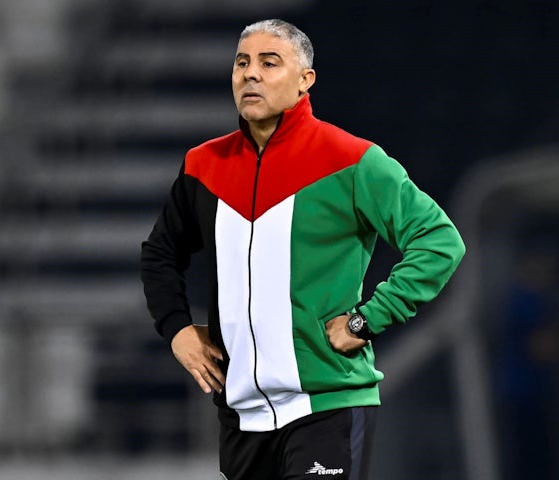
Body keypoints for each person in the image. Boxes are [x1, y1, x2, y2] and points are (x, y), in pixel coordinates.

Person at [140, 18, 465, 480]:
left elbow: (439, 240)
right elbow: (159, 255)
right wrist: (177, 330)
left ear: (305, 80)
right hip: (241, 416)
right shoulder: (203, 165)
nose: (250, 73)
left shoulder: (351, 160)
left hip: (327, 406)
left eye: (269, 63)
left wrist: (368, 318)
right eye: (242, 62)